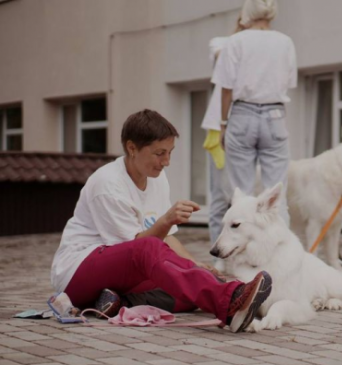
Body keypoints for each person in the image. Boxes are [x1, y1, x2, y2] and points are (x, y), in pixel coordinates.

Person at [50, 109, 272, 333]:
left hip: (121, 275)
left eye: (170, 152)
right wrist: (166, 220)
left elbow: (165, 237)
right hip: (77, 275)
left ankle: (118, 303)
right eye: (159, 153)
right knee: (157, 256)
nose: (166, 161)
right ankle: (229, 304)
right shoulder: (107, 184)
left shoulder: (156, 178)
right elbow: (137, 250)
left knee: (190, 287)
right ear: (132, 148)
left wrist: (195, 265)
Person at [212, 0, 297, 225]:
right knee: (277, 193)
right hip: (275, 114)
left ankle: (242, 251)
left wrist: (222, 124)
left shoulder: (236, 41)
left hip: (242, 114)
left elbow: (226, 88)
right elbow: (288, 82)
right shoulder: (285, 42)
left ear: (248, 11)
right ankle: (280, 253)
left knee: (241, 192)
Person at [201, 19, 245, 246]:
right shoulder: (220, 43)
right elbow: (220, 58)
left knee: (244, 195)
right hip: (218, 130)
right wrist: (241, 37)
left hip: (245, 130)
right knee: (220, 197)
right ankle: (217, 252)